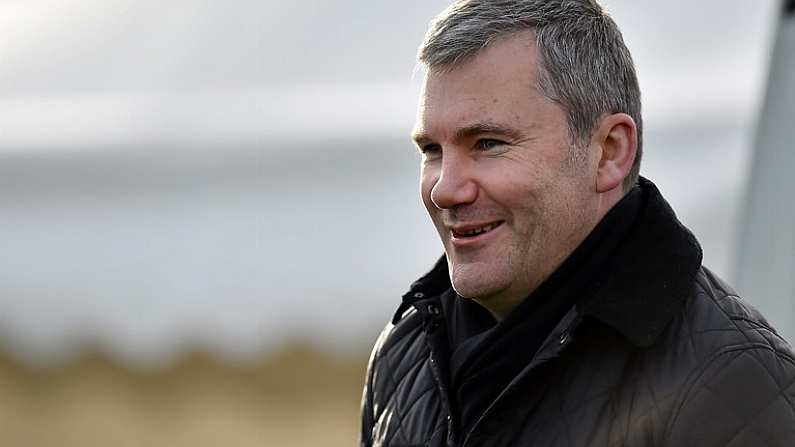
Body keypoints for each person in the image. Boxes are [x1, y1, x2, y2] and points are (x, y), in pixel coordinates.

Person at [360, 0, 795, 446]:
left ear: (608, 151)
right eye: (432, 149)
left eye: (488, 143)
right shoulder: (404, 352)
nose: (444, 189)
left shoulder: (729, 385)